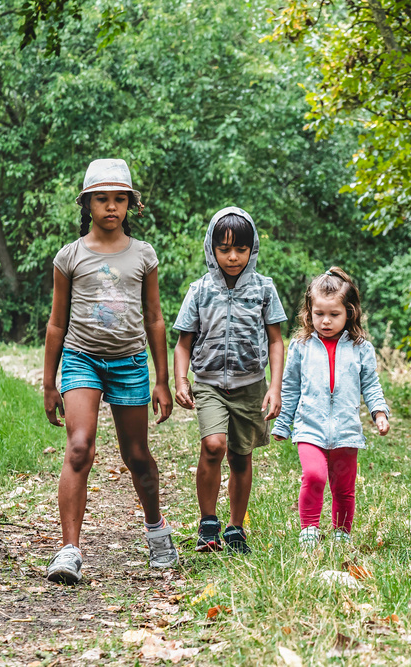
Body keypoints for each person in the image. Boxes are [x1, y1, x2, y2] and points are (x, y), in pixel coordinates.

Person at [43, 159, 177, 584]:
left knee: (136, 456)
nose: (111, 207)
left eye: (120, 198)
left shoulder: (143, 254)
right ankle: (69, 551)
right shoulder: (70, 256)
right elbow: (56, 323)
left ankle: (157, 532)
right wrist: (49, 382)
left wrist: (162, 379)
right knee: (80, 446)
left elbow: (154, 318)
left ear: (130, 204)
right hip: (82, 359)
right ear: (87, 203)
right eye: (102, 198)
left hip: (131, 362)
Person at [172, 207, 286, 554]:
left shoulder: (264, 289)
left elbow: (276, 340)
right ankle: (209, 523)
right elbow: (183, 343)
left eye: (241, 249)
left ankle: (236, 527)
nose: (233, 257)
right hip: (208, 383)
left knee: (241, 455)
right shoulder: (200, 290)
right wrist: (181, 380)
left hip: (250, 384)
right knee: (213, 446)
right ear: (211, 248)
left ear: (253, 250)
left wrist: (275, 386)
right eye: (224, 249)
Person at [271, 268, 391, 550]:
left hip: (346, 430)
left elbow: (371, 386)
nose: (325, 321)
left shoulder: (361, 348)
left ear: (349, 312)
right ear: (308, 312)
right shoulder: (301, 346)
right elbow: (290, 388)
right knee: (314, 476)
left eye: (334, 314)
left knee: (344, 487)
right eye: (318, 314)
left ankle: (341, 532)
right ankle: (309, 529)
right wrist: (282, 423)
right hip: (309, 427)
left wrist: (379, 413)